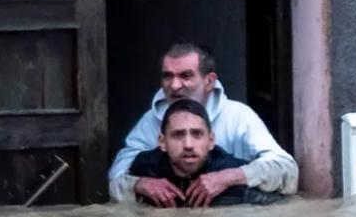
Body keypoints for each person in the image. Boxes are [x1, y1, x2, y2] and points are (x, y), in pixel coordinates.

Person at [109, 43, 297, 207]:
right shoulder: (149, 122)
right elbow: (115, 182)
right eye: (168, 76)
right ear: (162, 140)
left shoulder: (239, 117)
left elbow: (288, 172)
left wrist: (228, 177)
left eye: (185, 76)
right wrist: (140, 185)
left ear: (209, 81)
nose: (174, 85)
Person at [110, 99, 283, 207]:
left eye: (197, 134)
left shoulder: (230, 171)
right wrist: (136, 185)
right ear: (162, 142)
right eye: (178, 135)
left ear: (211, 141)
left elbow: (281, 207)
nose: (188, 145)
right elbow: (115, 188)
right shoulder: (146, 166)